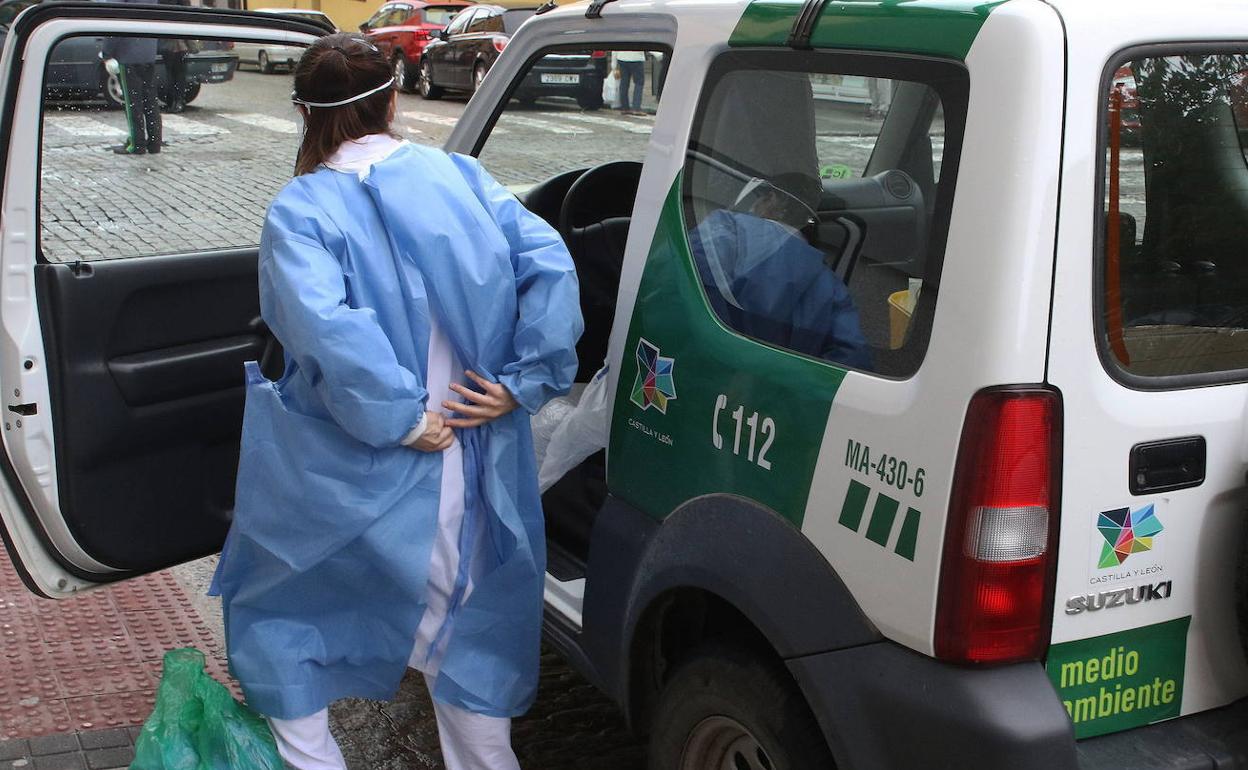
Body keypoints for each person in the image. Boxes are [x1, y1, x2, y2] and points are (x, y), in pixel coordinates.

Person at [209, 33, 583, 770]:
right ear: (392, 98)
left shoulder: (303, 208)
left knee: (281, 617)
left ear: (303, 113)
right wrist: (521, 380)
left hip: (356, 471)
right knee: (468, 638)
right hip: (474, 460)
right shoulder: (464, 178)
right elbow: (550, 262)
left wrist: (402, 418)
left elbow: (326, 328)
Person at [687, 173, 871, 369]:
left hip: (693, 365)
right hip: (760, 388)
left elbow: (670, 272)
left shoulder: (724, 228)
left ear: (773, 199)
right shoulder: (832, 287)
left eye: (760, 196)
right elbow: (854, 359)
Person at [102, 16, 162, 155]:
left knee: (133, 103)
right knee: (151, 102)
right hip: (148, 53)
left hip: (128, 55)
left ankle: (137, 143)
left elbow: (115, 21)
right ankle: (154, 143)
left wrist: (106, 53)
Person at [615, 49, 646, 114]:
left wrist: (614, 67)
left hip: (622, 57)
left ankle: (624, 108)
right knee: (639, 83)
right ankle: (636, 108)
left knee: (624, 83)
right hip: (636, 58)